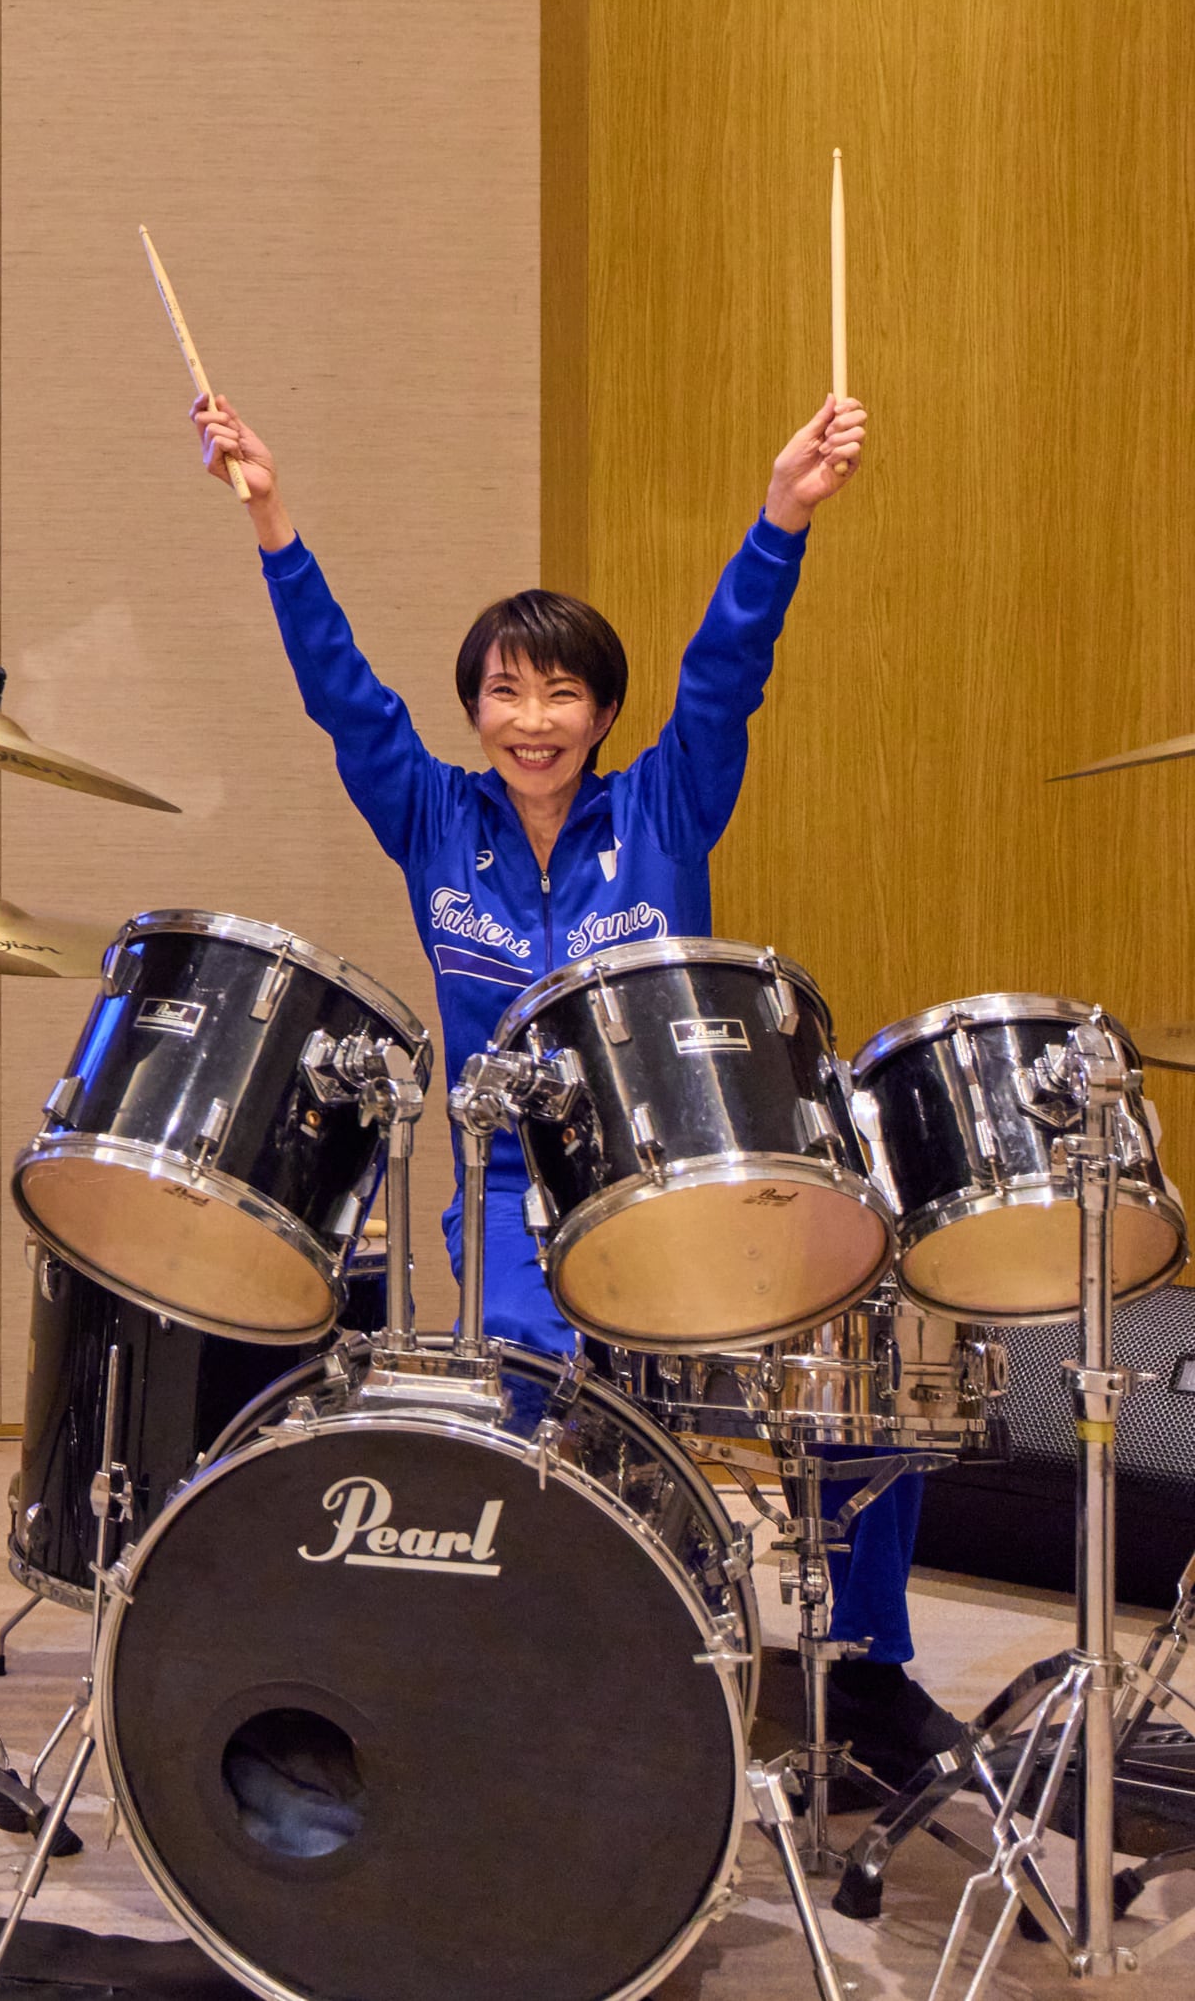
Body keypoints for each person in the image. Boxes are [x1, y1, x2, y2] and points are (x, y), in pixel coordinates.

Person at [189, 381, 968, 1785]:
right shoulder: (431, 815)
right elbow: (340, 692)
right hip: (511, 1195)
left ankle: (864, 1671)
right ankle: (539, 1674)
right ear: (476, 709)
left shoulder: (666, 804)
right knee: (524, 1385)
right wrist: (273, 521)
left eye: (560, 692)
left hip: (686, 1184)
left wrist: (781, 516)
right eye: (505, 690)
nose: (531, 717)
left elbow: (727, 668)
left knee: (857, 1378)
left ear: (602, 710)